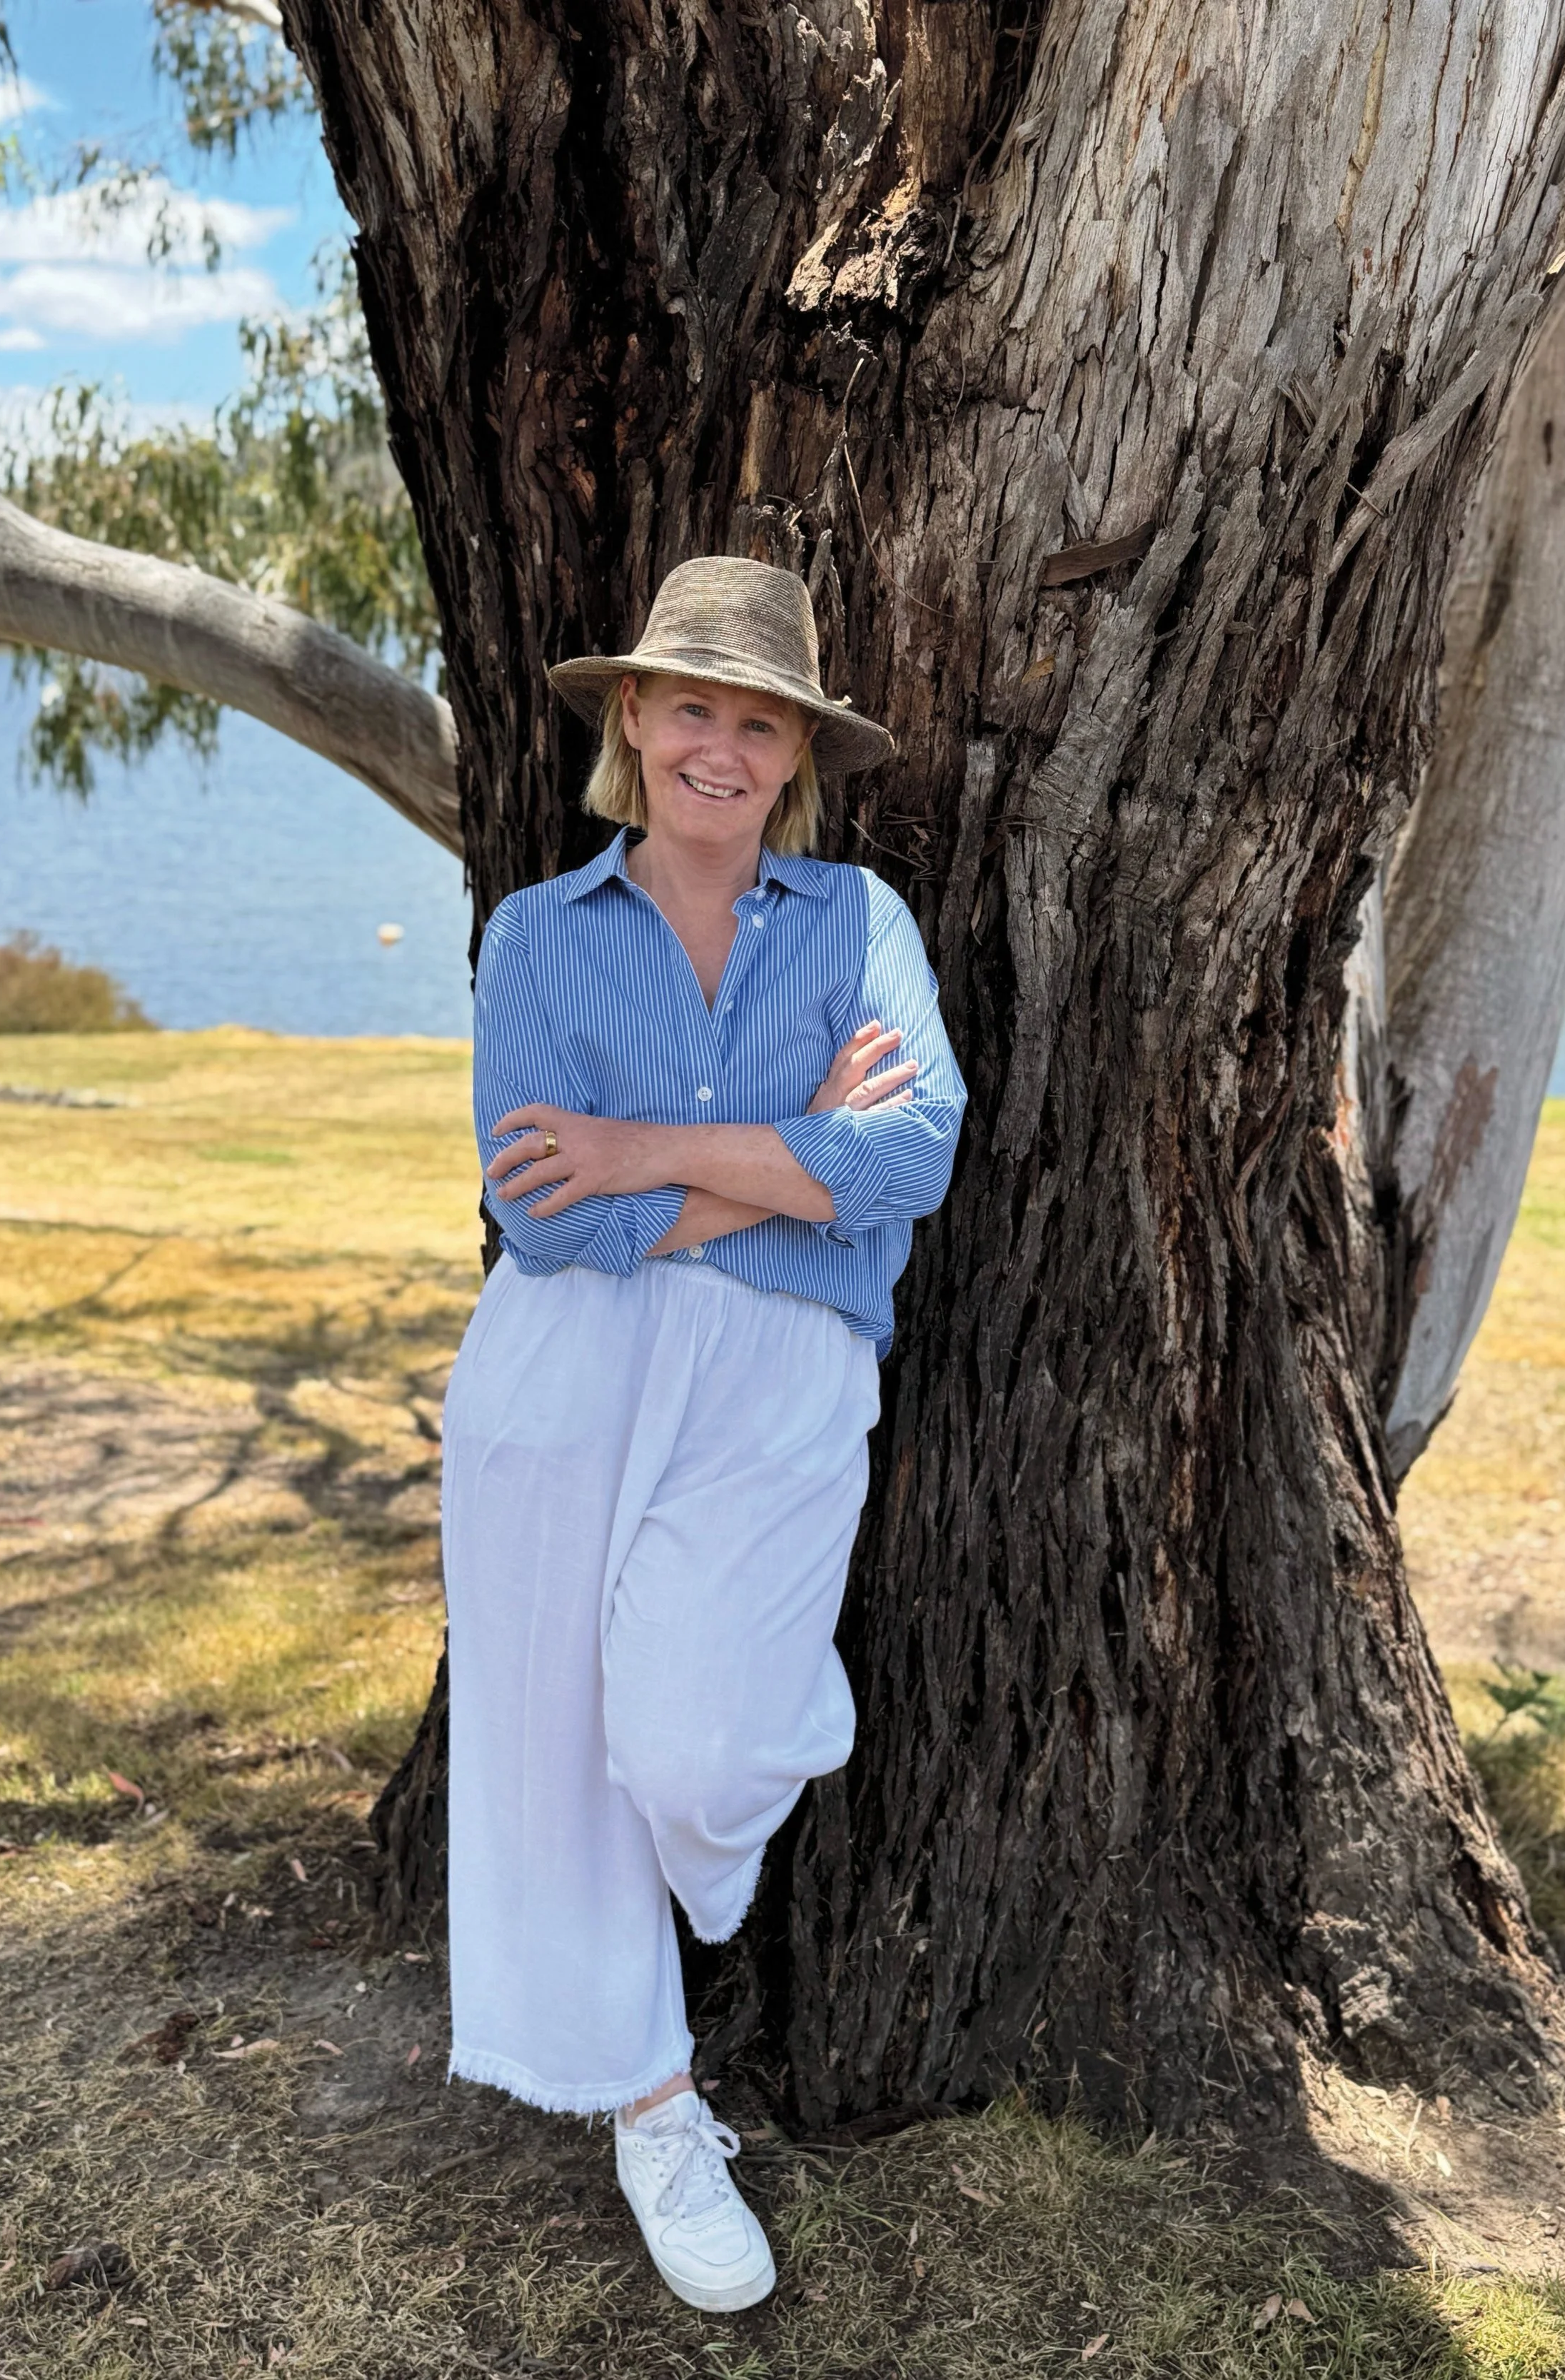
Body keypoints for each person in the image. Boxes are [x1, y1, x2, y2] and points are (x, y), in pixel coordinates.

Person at [440, 556, 966, 2313]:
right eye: (692, 711)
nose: (721, 750)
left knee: (687, 1739)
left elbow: (911, 1161)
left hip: (783, 1376)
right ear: (634, 724)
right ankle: (651, 2105)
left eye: (759, 722)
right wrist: (788, 1155)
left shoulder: (859, 923)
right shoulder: (535, 934)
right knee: (552, 1751)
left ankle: (742, 1742)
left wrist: (647, 1145)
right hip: (560, 1368)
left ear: (795, 754)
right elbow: (548, 1224)